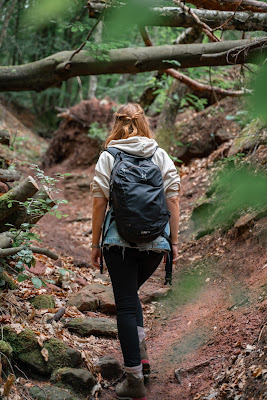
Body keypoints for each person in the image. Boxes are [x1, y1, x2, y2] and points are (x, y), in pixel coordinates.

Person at [91, 103, 180, 400]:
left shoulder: (109, 155)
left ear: (116, 124)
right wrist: (173, 243)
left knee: (127, 305)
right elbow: (174, 201)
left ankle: (133, 381)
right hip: (156, 244)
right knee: (131, 299)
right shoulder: (160, 154)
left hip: (119, 244)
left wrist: (95, 244)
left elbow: (99, 202)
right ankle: (142, 361)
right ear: (144, 124)